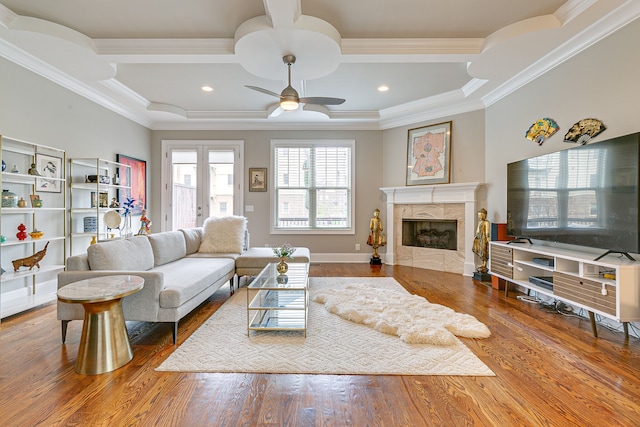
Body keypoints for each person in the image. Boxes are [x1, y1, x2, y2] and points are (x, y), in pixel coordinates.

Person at [472, 208, 491, 273]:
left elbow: (487, 231)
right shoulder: (480, 222)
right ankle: (483, 264)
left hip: (483, 238)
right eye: (478, 215)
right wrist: (475, 236)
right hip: (479, 238)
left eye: (480, 215)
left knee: (484, 251)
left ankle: (484, 265)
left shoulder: (486, 222)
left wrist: (488, 238)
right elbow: (477, 230)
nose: (479, 217)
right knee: (480, 250)